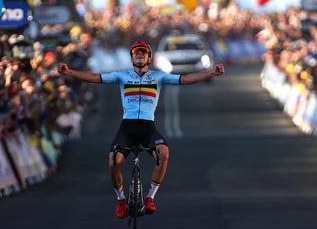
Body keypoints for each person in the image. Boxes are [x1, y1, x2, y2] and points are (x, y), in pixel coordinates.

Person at [57, 40, 225, 219]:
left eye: (143, 53)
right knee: (114, 162)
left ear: (149, 58)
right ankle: (121, 199)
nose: (139, 55)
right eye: (136, 53)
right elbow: (96, 77)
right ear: (131, 58)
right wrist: (69, 72)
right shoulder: (122, 76)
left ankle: (150, 197)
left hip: (147, 128)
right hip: (127, 128)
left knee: (164, 154)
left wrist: (211, 74)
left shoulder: (159, 77)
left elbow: (186, 79)